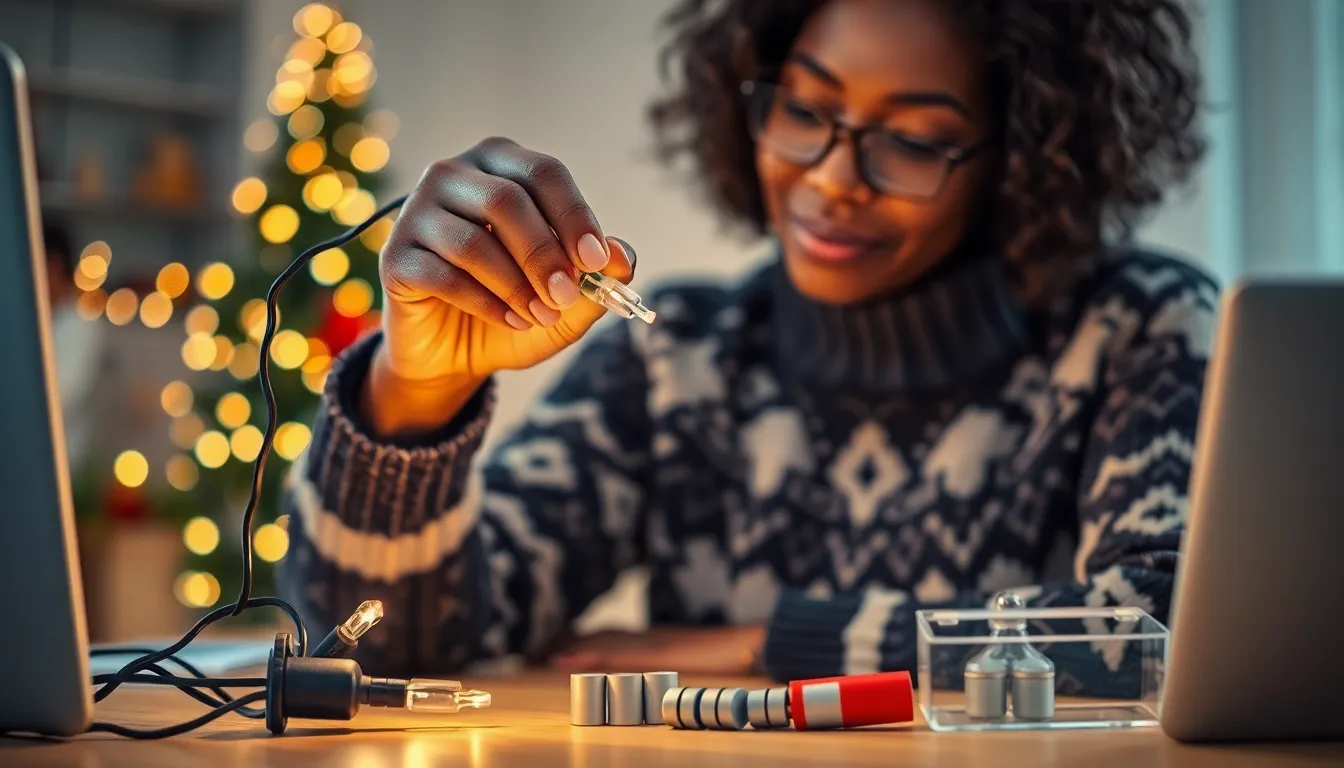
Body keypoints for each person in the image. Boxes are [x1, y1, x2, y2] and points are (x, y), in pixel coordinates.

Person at [279, 0, 1215, 687]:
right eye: (803, 111)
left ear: (1017, 157)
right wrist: (414, 397)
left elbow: (1165, 629)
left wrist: (770, 642)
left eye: (914, 141)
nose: (833, 178)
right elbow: (385, 645)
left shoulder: (1139, 329)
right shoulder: (676, 358)